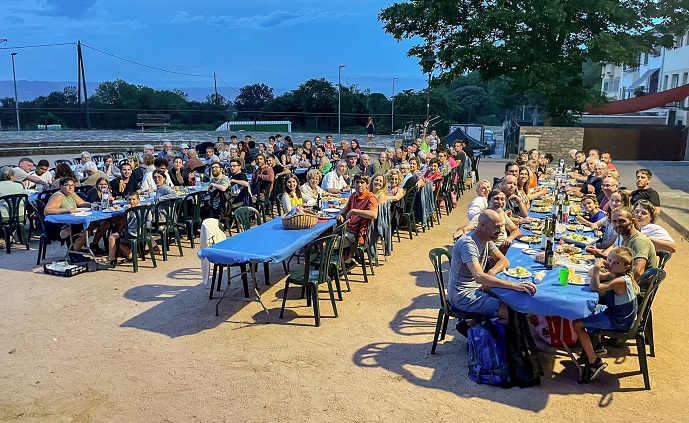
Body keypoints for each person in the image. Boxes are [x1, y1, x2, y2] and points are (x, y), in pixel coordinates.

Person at [448, 210, 537, 327]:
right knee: (512, 314)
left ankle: (475, 324)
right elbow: (479, 276)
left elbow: (504, 261)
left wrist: (491, 272)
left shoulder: (486, 239)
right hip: (462, 296)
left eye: (501, 227)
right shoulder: (468, 243)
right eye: (496, 227)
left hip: (477, 289)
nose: (500, 231)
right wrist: (513, 285)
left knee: (514, 301)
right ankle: (474, 329)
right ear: (482, 225)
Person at [572, 246, 639, 383]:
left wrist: (597, 268)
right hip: (618, 314)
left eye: (616, 263)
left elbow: (594, 287)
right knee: (592, 309)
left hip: (619, 321)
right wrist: (601, 269)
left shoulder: (620, 281)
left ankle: (594, 361)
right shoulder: (615, 274)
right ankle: (596, 346)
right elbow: (591, 274)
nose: (611, 264)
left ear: (626, 267)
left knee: (577, 324)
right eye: (609, 260)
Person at [586, 208, 657, 281]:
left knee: (593, 279)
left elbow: (637, 272)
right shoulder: (623, 236)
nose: (617, 224)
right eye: (614, 221)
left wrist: (608, 277)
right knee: (591, 272)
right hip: (623, 277)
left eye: (622, 221)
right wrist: (599, 254)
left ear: (632, 221)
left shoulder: (639, 241)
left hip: (635, 286)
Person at [454, 190, 522, 252]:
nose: (500, 202)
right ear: (488, 201)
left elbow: (516, 230)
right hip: (493, 252)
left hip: (505, 248)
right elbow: (467, 227)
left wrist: (509, 238)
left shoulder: (501, 213)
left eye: (502, 199)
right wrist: (461, 230)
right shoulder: (484, 216)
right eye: (496, 199)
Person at [335, 174, 378, 266]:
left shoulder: (370, 197)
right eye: (357, 182)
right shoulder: (354, 195)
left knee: (324, 245)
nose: (359, 185)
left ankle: (344, 260)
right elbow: (346, 209)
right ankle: (346, 260)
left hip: (355, 236)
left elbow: (374, 214)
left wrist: (354, 211)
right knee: (324, 235)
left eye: (362, 182)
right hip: (347, 230)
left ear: (367, 184)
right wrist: (340, 214)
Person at [44, 177, 92, 252]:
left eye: (72, 185)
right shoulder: (59, 196)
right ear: (61, 186)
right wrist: (66, 210)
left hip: (72, 221)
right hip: (57, 225)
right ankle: (74, 251)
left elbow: (82, 203)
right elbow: (47, 211)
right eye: (67, 185)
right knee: (87, 228)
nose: (70, 187)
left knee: (95, 224)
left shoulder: (72, 194)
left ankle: (77, 249)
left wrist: (93, 205)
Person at [107, 191, 145, 266]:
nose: (132, 202)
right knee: (119, 240)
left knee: (112, 237)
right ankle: (130, 256)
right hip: (139, 231)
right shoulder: (140, 208)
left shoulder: (137, 210)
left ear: (138, 200)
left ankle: (111, 259)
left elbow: (126, 222)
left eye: (133, 199)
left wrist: (128, 212)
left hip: (133, 232)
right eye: (129, 200)